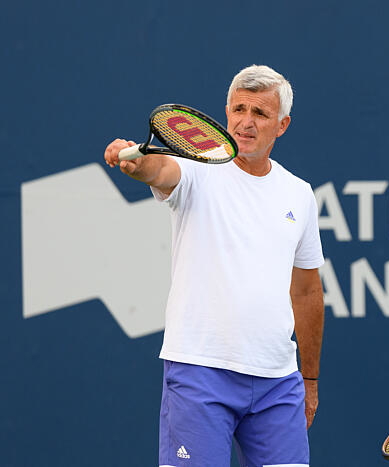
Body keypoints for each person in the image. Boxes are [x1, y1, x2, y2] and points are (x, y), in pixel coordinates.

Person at [104, 65, 325, 467]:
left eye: (260, 113)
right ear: (226, 113)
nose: (245, 122)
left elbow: (307, 290)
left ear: (282, 125)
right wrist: (138, 164)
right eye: (239, 109)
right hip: (200, 373)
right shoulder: (195, 169)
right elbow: (159, 170)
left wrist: (308, 379)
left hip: (278, 382)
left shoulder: (299, 194)